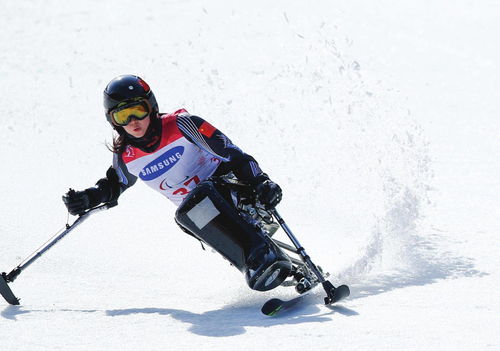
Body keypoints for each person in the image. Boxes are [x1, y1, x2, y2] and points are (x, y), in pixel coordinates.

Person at [62, 74, 288, 290]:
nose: (133, 122)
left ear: (151, 107)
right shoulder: (126, 155)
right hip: (200, 216)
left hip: (232, 188)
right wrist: (87, 198)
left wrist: (260, 181)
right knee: (184, 216)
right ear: (112, 121)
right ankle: (253, 262)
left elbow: (234, 154)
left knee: (201, 197)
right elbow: (114, 185)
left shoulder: (183, 125)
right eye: (122, 116)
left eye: (138, 111)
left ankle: (260, 254)